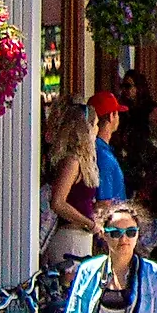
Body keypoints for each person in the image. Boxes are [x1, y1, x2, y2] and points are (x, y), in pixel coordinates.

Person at [43, 103, 103, 265]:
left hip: (81, 236)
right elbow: (58, 202)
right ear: (86, 128)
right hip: (70, 237)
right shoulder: (72, 161)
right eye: (96, 124)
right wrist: (89, 223)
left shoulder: (82, 161)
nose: (98, 129)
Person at [89, 92, 129, 203]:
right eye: (117, 113)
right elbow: (104, 203)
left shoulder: (95, 149)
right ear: (112, 116)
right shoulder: (104, 157)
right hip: (112, 218)